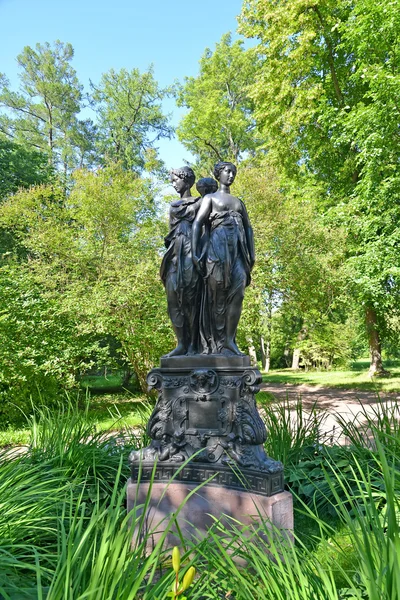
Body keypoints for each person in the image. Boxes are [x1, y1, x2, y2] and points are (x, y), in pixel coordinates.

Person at [192, 162, 255, 355]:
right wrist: (195, 253)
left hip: (238, 252)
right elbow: (197, 224)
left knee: (238, 294)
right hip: (217, 251)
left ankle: (229, 340)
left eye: (233, 172)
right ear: (218, 175)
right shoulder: (210, 198)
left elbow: (248, 228)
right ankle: (213, 343)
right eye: (227, 171)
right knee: (216, 298)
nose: (231, 175)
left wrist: (252, 253)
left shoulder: (238, 202)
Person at [160, 166, 201, 356]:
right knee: (173, 299)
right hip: (175, 254)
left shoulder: (201, 203)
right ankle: (181, 344)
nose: (173, 183)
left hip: (192, 254)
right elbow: (170, 233)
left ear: (186, 180)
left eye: (176, 179)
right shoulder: (173, 206)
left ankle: (194, 344)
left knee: (191, 300)